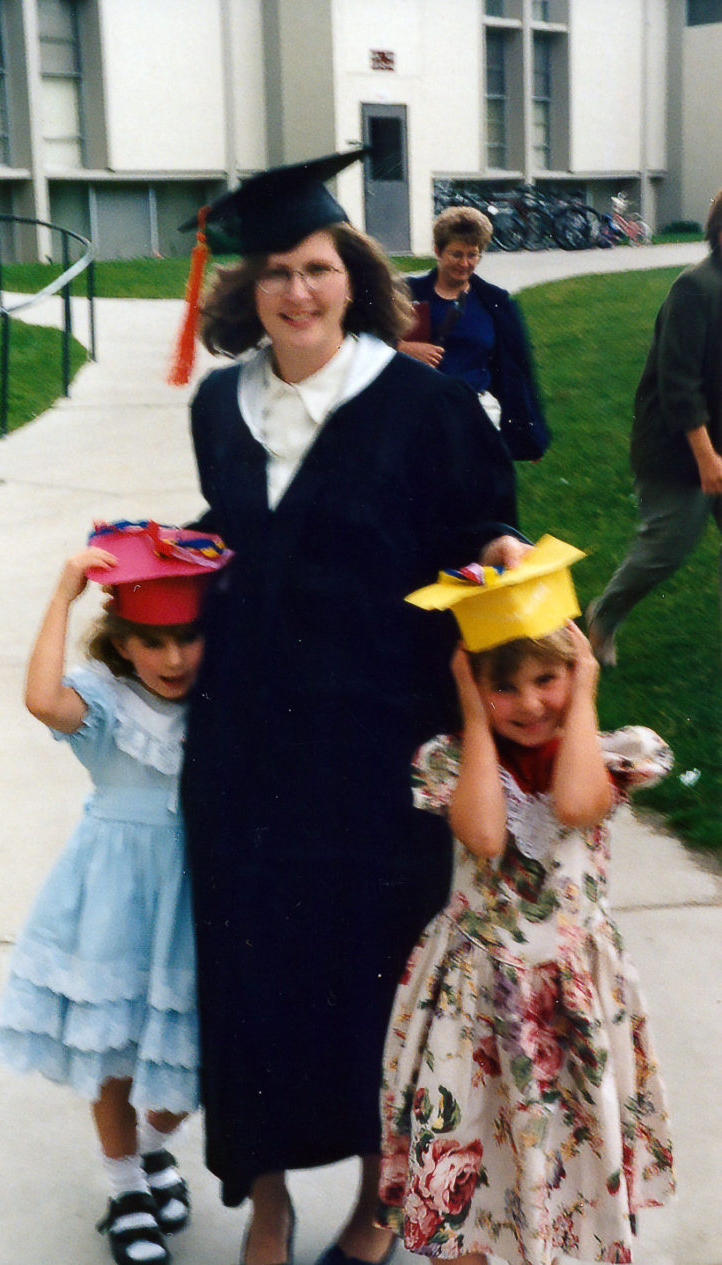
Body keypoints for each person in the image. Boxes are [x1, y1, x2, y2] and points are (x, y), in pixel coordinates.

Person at [175, 150, 528, 1265]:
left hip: (382, 741)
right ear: (248, 290)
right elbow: (235, 533)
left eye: (318, 265)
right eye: (275, 271)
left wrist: (501, 557)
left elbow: (479, 525)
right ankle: (265, 1191)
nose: (298, 290)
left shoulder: (425, 404)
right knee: (250, 972)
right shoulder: (218, 405)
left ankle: (382, 1196)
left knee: (383, 970)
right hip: (243, 745)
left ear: (354, 273)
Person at [378, 537, 675, 1265]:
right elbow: (483, 833)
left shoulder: (612, 754)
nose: (530, 702)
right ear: (473, 685)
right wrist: (475, 722)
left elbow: (575, 805)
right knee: (466, 1157)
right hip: (473, 1000)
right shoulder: (451, 760)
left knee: (565, 1165)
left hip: (570, 1001)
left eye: (549, 678)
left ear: (575, 670)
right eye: (502, 687)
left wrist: (588, 689)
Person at [0, 519, 231, 1265]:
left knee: (189, 1058)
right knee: (115, 1049)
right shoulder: (105, 705)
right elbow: (40, 698)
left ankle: (155, 1146)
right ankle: (126, 1185)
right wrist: (64, 593)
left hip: (197, 895)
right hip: (115, 896)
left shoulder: (221, 702)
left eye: (187, 637)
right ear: (122, 641)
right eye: (152, 641)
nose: (172, 657)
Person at [587, 188, 722, 666]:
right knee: (666, 547)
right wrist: (706, 456)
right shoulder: (696, 288)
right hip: (678, 447)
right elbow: (678, 382)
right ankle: (602, 617)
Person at [399, 205, 549, 461]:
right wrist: (400, 347)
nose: (465, 263)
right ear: (437, 251)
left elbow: (518, 367)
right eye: (456, 254)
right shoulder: (408, 293)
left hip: (478, 414)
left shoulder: (495, 301)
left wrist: (530, 434)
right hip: (423, 416)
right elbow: (361, 341)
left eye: (473, 255)